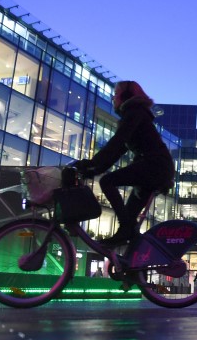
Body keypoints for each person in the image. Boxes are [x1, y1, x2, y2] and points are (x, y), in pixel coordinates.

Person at [75, 81, 175, 247]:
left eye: (115, 94)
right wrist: (94, 170)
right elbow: (118, 150)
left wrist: (92, 163)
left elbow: (117, 142)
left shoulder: (134, 113)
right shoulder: (136, 115)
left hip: (154, 166)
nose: (113, 98)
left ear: (126, 96)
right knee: (128, 222)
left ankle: (127, 231)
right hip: (157, 167)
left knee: (107, 182)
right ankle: (133, 264)